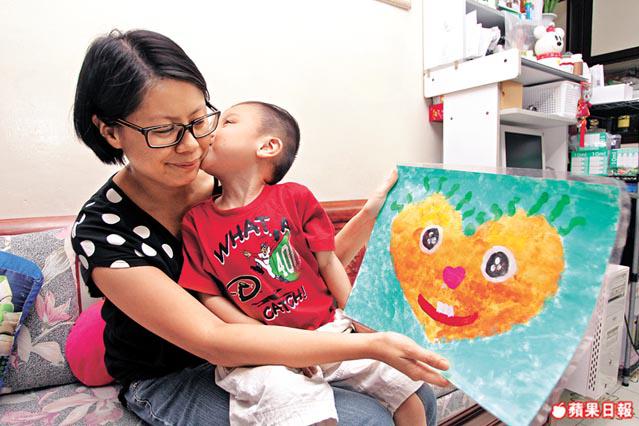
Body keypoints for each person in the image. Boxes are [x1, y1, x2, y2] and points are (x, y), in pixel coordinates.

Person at [70, 29, 449, 426]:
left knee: (416, 391)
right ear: (110, 131)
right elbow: (213, 339)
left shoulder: (230, 180)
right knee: (364, 419)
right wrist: (365, 345)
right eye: (164, 130)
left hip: (266, 339)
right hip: (174, 373)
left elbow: (297, 271)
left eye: (199, 120)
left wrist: (370, 215)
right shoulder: (103, 230)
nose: (192, 145)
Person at [178, 101, 426, 426]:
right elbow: (210, 297)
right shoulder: (196, 222)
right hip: (262, 354)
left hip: (328, 330)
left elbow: (328, 262)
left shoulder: (294, 198)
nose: (210, 130)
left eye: (228, 122)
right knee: (296, 408)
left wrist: (360, 319)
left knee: (406, 391)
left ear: (267, 146)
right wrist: (274, 345)